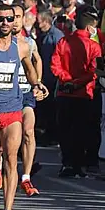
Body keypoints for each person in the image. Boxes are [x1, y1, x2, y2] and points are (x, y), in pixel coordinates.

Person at [0, 4, 47, 210]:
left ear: (15, 20)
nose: (5, 23)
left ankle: (8, 208)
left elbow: (29, 67)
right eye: (1, 19)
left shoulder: (21, 46)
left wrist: (36, 84)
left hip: (12, 108)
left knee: (12, 158)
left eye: (9, 19)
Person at [51, 8, 102, 177]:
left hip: (65, 93)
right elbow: (94, 70)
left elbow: (55, 66)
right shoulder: (94, 46)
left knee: (65, 130)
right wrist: (77, 83)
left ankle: (67, 163)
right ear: (89, 28)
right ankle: (80, 164)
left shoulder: (63, 42)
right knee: (82, 130)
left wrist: (67, 80)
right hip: (84, 94)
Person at [11, 5, 43, 196]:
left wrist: (38, 83)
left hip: (25, 93)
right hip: (3, 95)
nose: (14, 21)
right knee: (3, 140)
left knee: (29, 132)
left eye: (18, 17)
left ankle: (26, 177)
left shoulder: (29, 42)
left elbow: (37, 60)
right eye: (11, 17)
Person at [35, 9, 64, 144]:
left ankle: (53, 136)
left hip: (53, 78)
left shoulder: (56, 36)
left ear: (46, 22)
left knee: (52, 109)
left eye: (39, 21)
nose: (37, 24)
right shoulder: (44, 36)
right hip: (46, 77)